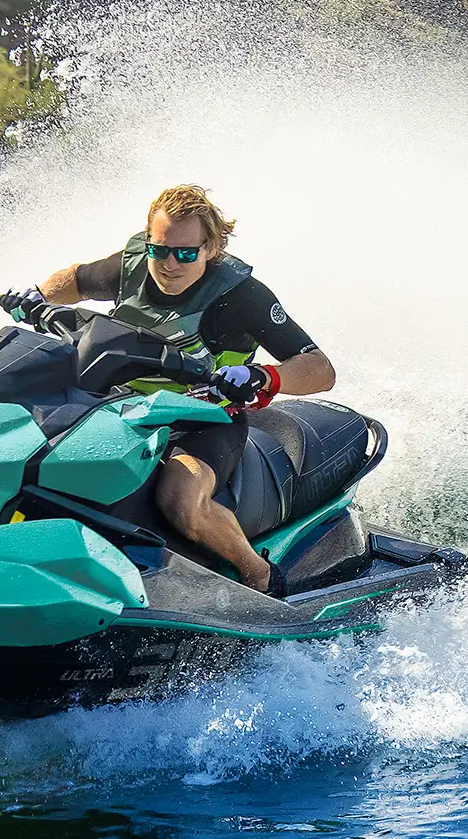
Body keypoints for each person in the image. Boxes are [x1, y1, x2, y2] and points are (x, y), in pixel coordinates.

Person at [26, 184, 333, 594]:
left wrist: (265, 377)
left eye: (186, 253)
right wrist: (36, 297)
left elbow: (319, 369)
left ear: (210, 248)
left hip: (205, 418)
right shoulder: (132, 267)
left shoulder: (242, 297)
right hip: (118, 408)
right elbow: (75, 279)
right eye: (160, 250)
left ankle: (259, 575)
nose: (170, 263)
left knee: (181, 500)